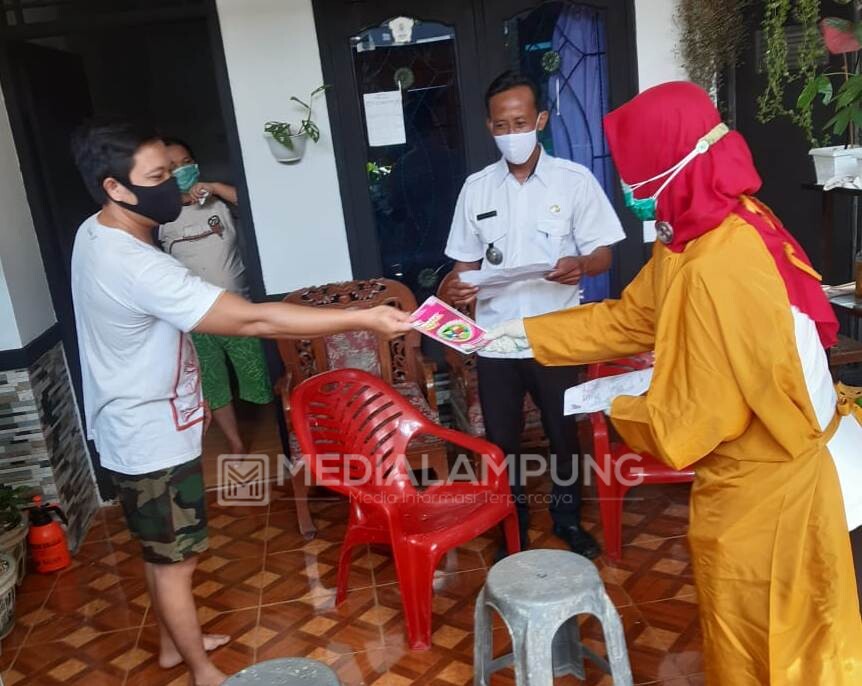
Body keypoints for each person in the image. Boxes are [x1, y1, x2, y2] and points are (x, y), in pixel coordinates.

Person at [484, 82, 862, 684]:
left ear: (674, 166)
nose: (631, 193)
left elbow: (697, 418)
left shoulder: (722, 263)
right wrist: (514, 336)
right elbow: (633, 317)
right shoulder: (700, 230)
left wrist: (616, 405)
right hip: (753, 469)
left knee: (769, 647)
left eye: (638, 179)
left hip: (775, 490)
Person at [70, 120, 412, 686]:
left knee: (164, 551)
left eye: (173, 172)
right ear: (116, 188)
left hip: (142, 419)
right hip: (146, 434)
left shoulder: (97, 232)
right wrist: (364, 316)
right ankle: (203, 671)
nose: (173, 188)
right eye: (157, 178)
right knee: (175, 561)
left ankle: (172, 646)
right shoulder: (136, 264)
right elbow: (253, 318)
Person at [439, 71, 625, 559]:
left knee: (564, 433)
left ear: (540, 119)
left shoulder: (574, 181)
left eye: (520, 121)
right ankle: (512, 524)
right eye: (501, 125)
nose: (511, 132)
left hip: (557, 333)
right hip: (497, 337)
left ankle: (567, 519)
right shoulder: (476, 189)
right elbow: (463, 267)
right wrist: (455, 286)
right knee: (502, 440)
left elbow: (604, 253)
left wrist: (581, 265)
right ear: (489, 127)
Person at [160, 138, 267, 455]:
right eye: (172, 167)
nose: (182, 170)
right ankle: (235, 443)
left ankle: (278, 427)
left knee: (258, 373)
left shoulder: (218, 202)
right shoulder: (160, 218)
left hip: (237, 308)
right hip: (194, 318)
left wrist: (216, 187)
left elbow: (258, 206)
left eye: (186, 161)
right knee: (214, 383)